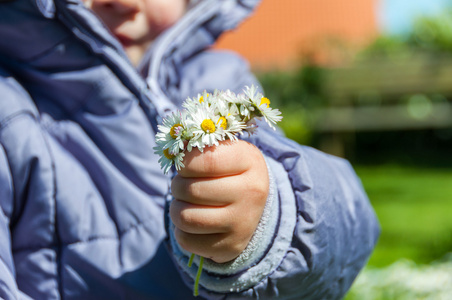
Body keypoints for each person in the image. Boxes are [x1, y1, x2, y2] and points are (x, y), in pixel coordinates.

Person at [0, 0, 380, 299]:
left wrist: (269, 220)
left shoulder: (223, 84)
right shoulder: (10, 111)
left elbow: (348, 225)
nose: (123, 2)